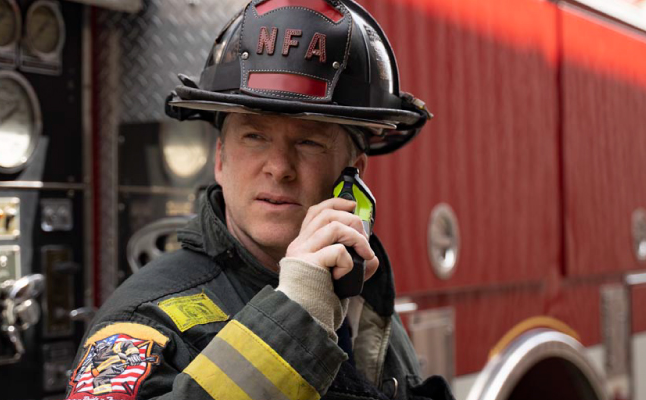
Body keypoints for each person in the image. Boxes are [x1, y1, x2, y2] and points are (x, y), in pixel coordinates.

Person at [65, 0, 449, 399]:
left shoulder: (359, 286)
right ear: (219, 159)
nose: (279, 167)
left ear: (353, 172)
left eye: (309, 141)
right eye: (255, 137)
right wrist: (296, 317)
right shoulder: (145, 317)